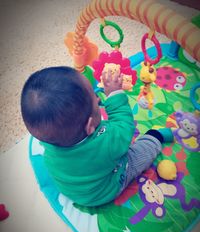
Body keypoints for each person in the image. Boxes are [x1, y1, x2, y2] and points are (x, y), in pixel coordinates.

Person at [21, 66, 174, 207]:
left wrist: (90, 107)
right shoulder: (106, 141)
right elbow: (125, 126)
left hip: (75, 191)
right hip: (105, 190)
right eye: (95, 100)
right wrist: (115, 95)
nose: (100, 99)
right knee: (136, 156)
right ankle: (156, 138)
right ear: (89, 127)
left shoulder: (49, 137)